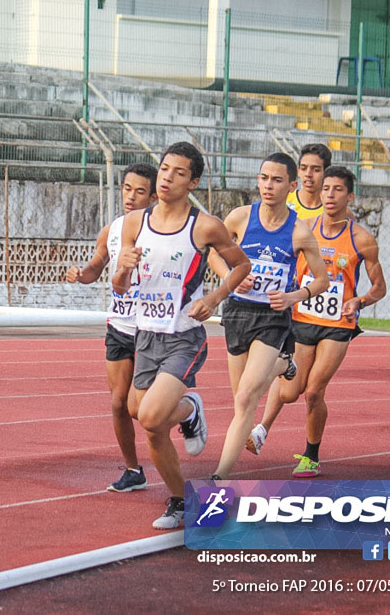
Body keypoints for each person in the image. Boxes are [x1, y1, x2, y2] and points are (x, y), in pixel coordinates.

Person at [113, 142, 251, 529]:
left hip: (183, 335)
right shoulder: (134, 223)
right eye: (164, 169)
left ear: (193, 182)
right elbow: (121, 287)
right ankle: (179, 500)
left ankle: (188, 408)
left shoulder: (204, 226)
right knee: (144, 418)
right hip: (146, 334)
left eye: (178, 173)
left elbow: (241, 265)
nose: (167, 178)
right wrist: (122, 269)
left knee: (153, 415)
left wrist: (215, 297)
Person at [245, 166, 386, 477]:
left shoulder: (362, 239)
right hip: (302, 318)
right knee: (289, 392)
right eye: (326, 189)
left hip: (338, 326)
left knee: (313, 391)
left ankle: (310, 455)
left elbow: (380, 287)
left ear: (350, 196)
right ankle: (267, 415)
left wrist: (358, 301)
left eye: (337, 190)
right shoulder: (303, 229)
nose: (330, 195)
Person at [207, 152, 329, 480]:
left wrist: (293, 295)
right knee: (240, 402)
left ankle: (220, 474)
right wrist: (230, 274)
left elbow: (322, 281)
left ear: (291, 186)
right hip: (237, 312)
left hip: (272, 317)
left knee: (248, 395)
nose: (268, 186)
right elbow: (213, 255)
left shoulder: (299, 232)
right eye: (263, 178)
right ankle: (283, 365)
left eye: (276, 180)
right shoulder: (239, 218)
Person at [66, 163, 158, 492]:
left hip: (152, 328)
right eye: (126, 188)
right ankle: (133, 469)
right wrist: (81, 275)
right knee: (119, 403)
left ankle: (186, 417)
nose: (131, 196)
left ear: (154, 195)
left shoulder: (163, 230)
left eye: (139, 191)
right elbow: (96, 265)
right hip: (120, 325)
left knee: (142, 408)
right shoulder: (112, 229)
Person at [285, 143, 332, 220]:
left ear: (326, 172)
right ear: (298, 171)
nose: (308, 174)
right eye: (303, 168)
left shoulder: (334, 208)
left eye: (316, 170)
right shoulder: (284, 201)